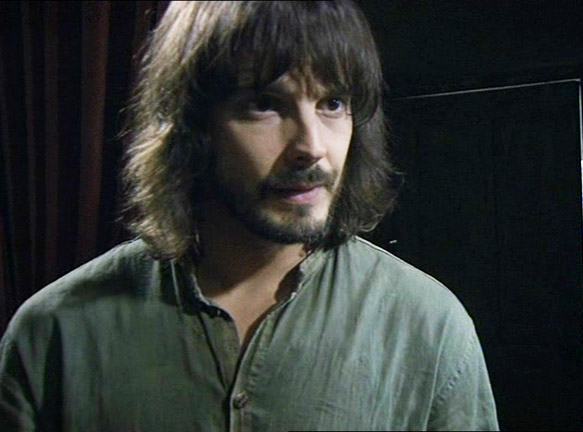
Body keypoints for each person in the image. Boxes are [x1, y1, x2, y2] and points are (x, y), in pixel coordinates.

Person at [0, 1, 499, 430]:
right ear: (192, 125)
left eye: (332, 103)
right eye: (265, 104)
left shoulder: (428, 327)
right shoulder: (55, 332)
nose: (312, 147)